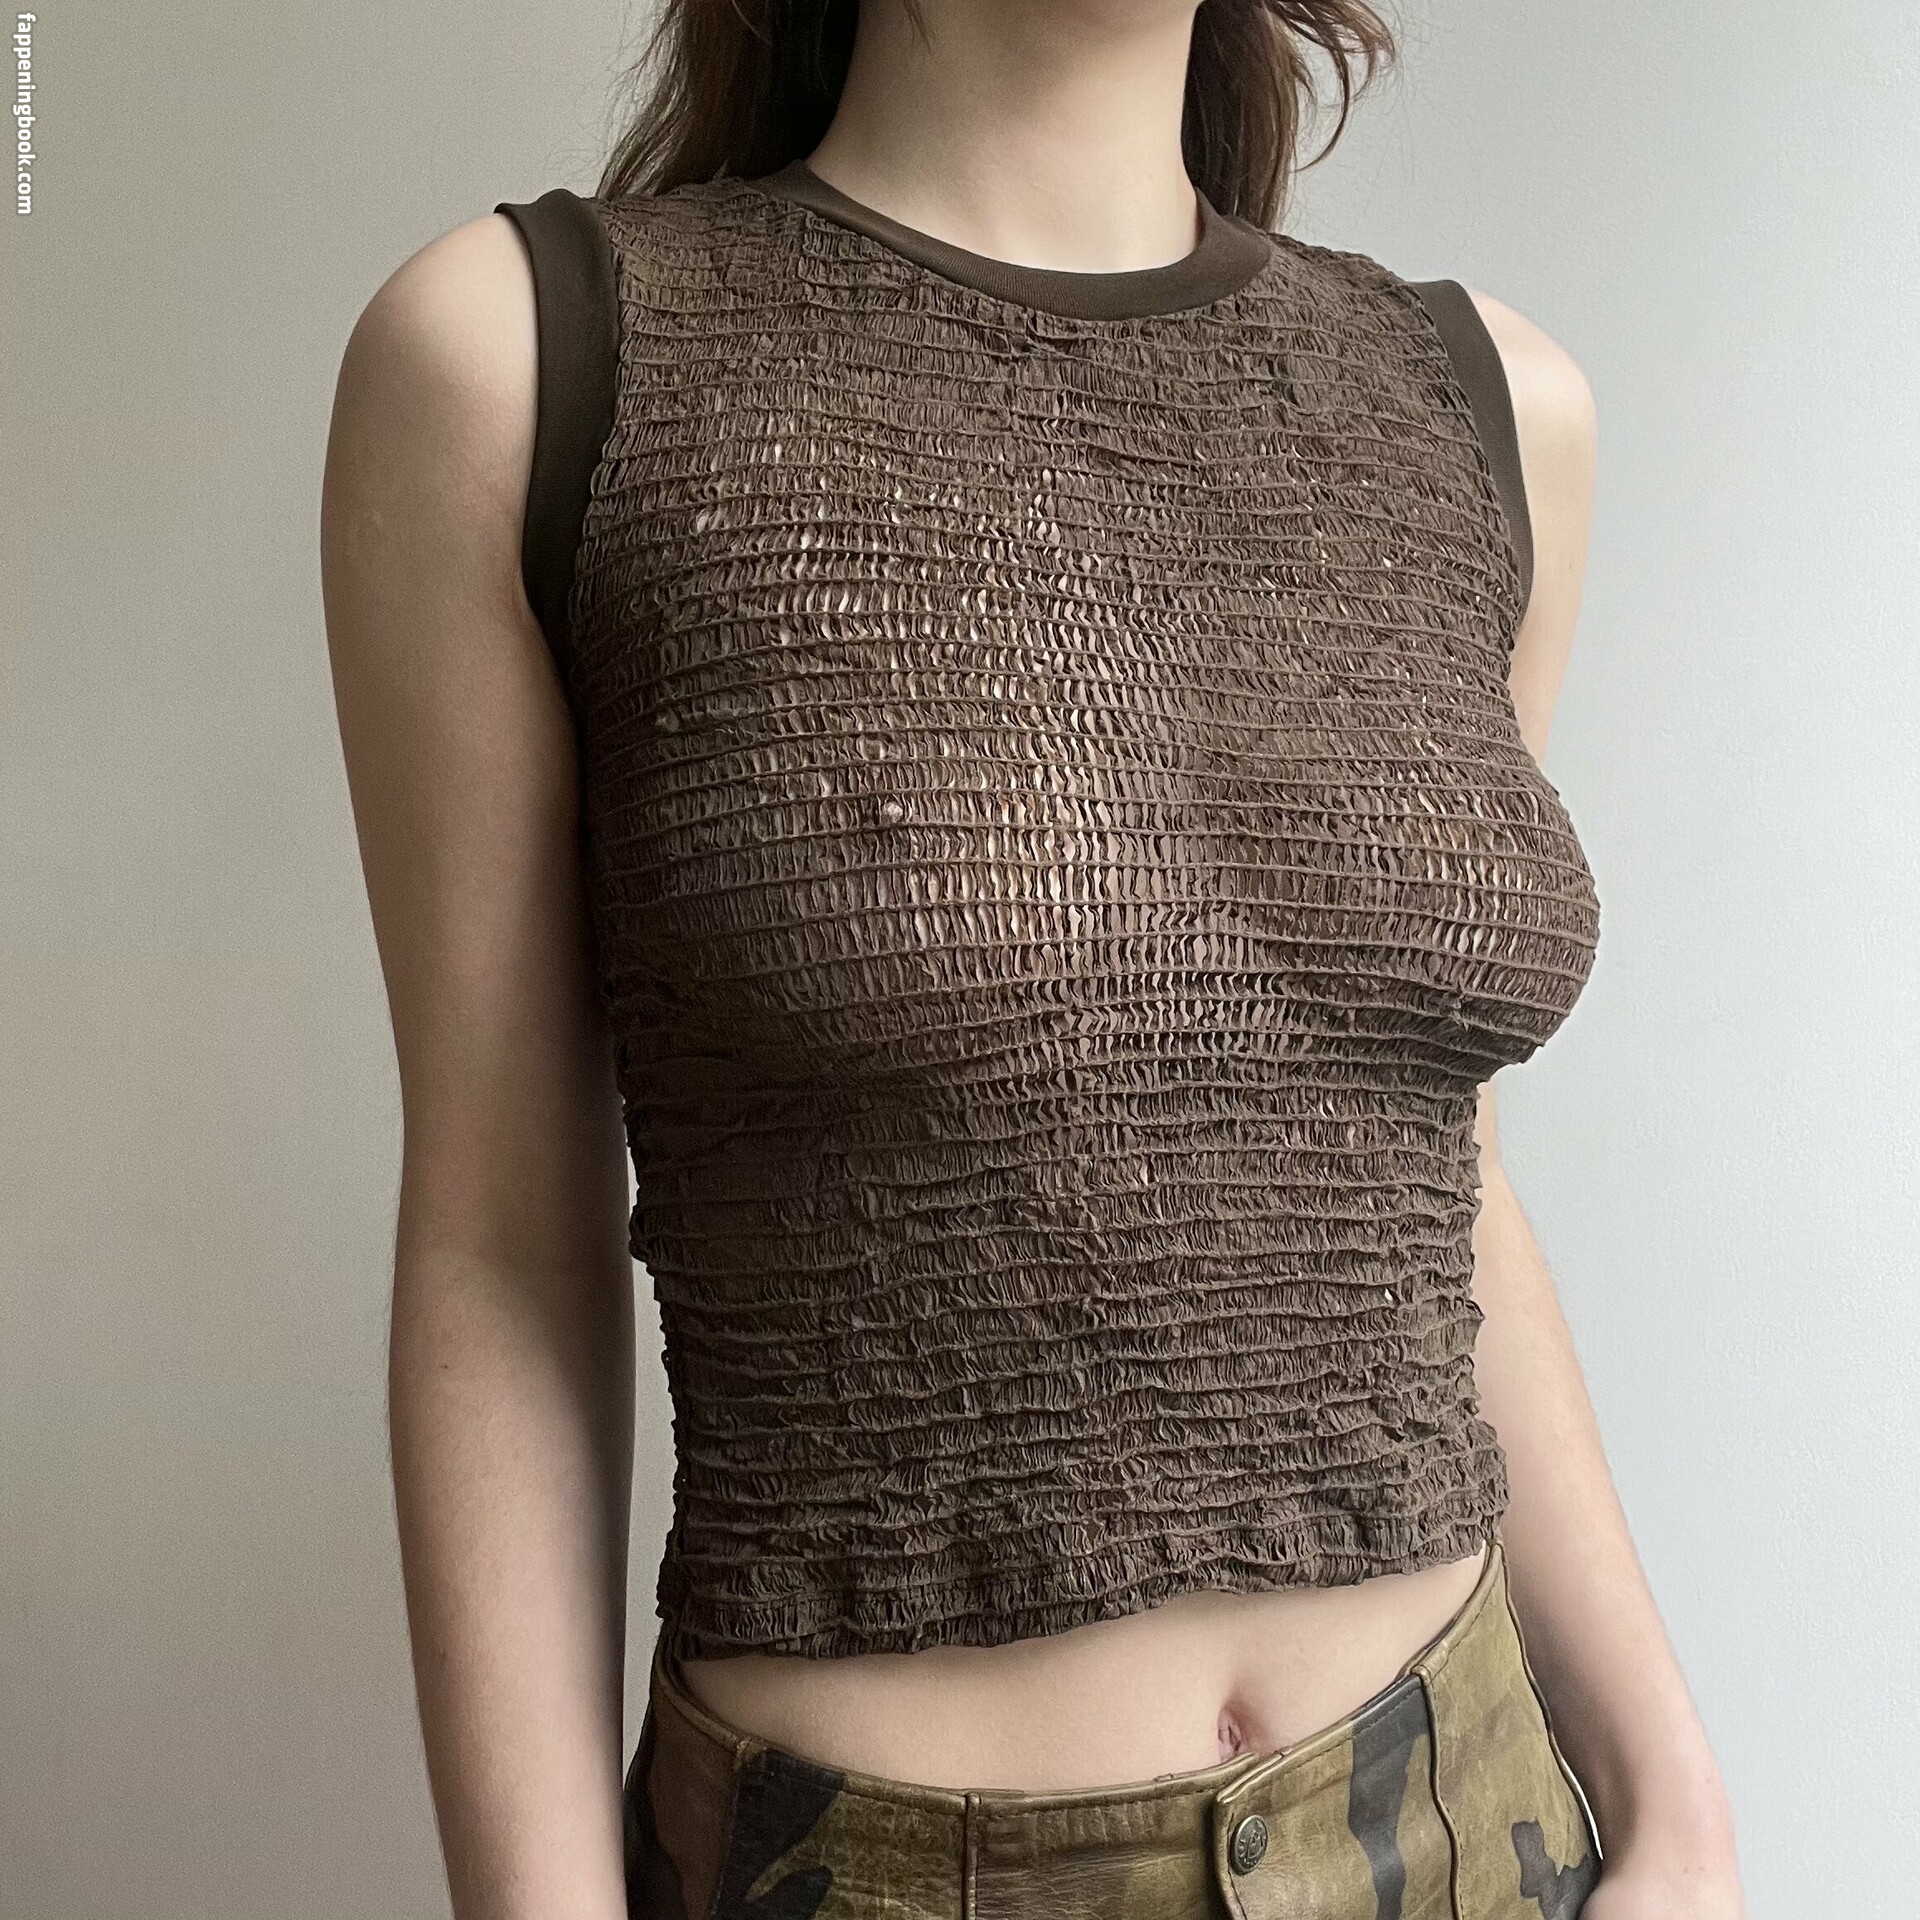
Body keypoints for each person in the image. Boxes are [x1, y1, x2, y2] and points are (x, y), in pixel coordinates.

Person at [320, 2, 1745, 1914]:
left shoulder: (1481, 403)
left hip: (1480, 1827)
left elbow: (1434, 1179)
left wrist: (1674, 1791)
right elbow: (506, 1243)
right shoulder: (533, 360)